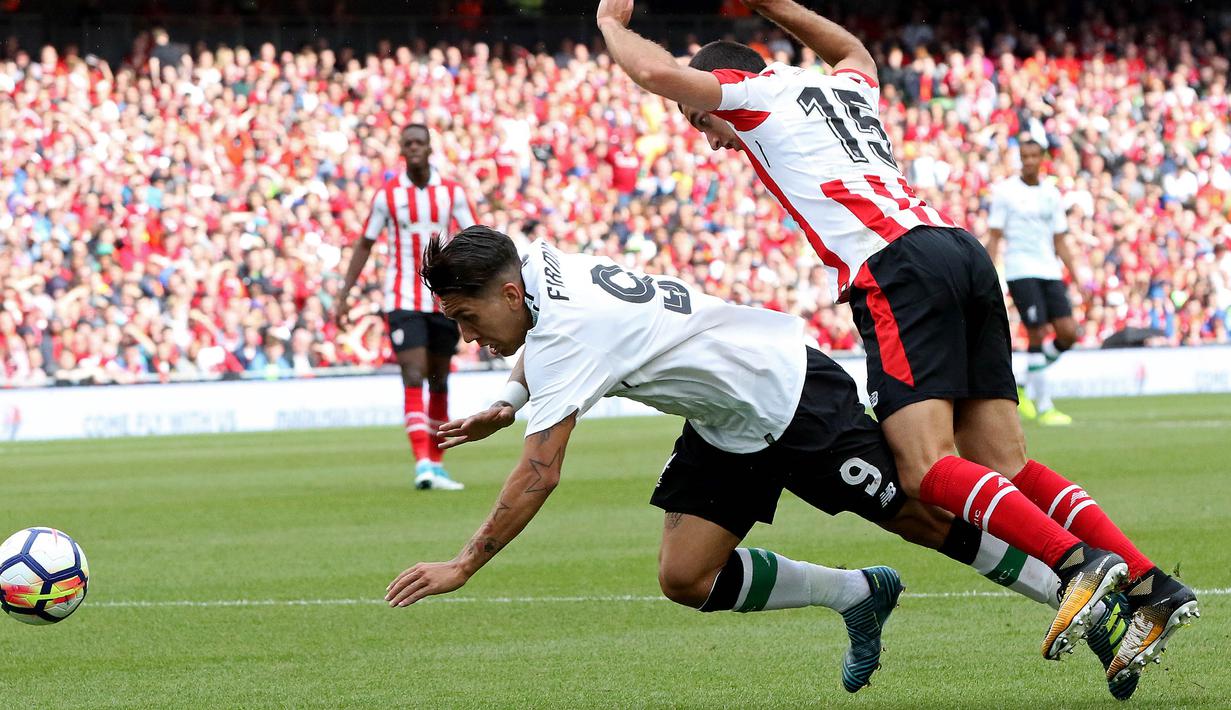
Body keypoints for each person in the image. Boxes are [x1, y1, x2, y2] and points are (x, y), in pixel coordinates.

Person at [595, 0, 1198, 698]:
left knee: (922, 467)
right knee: (1003, 462)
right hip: (957, 251)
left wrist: (611, 21)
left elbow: (650, 69)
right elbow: (852, 47)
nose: (709, 139)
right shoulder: (840, 85)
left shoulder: (753, 93)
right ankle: (1152, 586)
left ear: (724, 84)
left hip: (893, 269)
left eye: (700, 122)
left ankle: (1077, 564)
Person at [389, 226, 1114, 694]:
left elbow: (539, 473)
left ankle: (1086, 599)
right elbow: (540, 342)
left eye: (467, 317)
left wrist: (464, 565)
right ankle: (857, 595)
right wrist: (511, 398)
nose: (467, 332)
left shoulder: (565, 334)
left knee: (928, 518)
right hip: (724, 420)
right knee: (685, 576)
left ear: (509, 291)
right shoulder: (537, 258)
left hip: (791, 394)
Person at [335, 124, 478, 490]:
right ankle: (422, 464)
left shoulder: (451, 192)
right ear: (401, 149)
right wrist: (344, 293)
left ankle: (438, 463)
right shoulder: (388, 195)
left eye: (419, 143)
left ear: (430, 147)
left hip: (444, 300)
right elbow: (365, 243)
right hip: (401, 299)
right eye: (408, 143)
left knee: (439, 380)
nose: (414, 148)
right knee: (413, 375)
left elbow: (476, 236)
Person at [986, 139, 1082, 425]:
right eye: (1023, 156)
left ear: (1042, 159)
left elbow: (1060, 239)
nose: (1027, 161)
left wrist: (1075, 274)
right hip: (1020, 269)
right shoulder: (1005, 192)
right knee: (1037, 331)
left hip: (1049, 269)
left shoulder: (1051, 194)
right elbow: (994, 236)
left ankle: (1026, 381)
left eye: (1032, 156)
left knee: (1068, 333)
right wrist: (990, 273)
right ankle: (1044, 406)